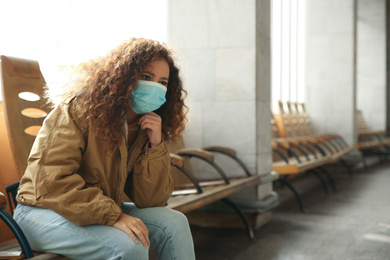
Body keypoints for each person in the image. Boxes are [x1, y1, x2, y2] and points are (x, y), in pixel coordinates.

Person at [13, 38, 195, 260]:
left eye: (163, 82)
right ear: (125, 76)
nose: (155, 86)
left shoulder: (144, 126)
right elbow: (50, 182)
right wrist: (114, 216)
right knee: (130, 245)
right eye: (146, 77)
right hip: (41, 212)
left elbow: (151, 201)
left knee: (175, 223)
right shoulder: (78, 110)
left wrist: (155, 146)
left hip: (96, 211)